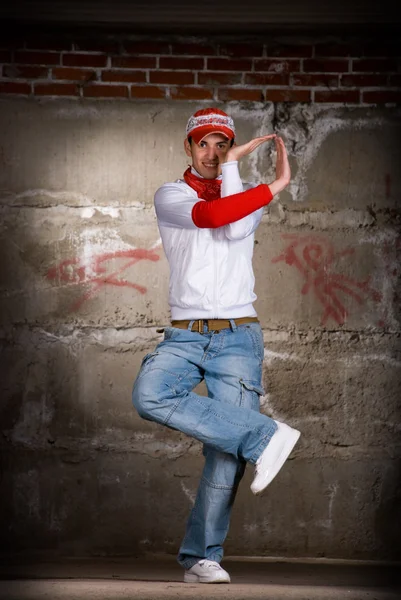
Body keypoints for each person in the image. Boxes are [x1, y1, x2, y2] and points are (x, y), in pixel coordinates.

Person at [132, 107, 301, 584]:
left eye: (222, 144)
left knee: (224, 452)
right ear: (188, 147)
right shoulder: (172, 196)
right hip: (185, 335)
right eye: (203, 143)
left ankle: (202, 556)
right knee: (150, 394)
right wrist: (275, 183)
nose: (212, 152)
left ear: (231, 150)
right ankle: (266, 435)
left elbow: (231, 225)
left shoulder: (246, 199)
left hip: (238, 337)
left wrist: (243, 178)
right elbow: (210, 216)